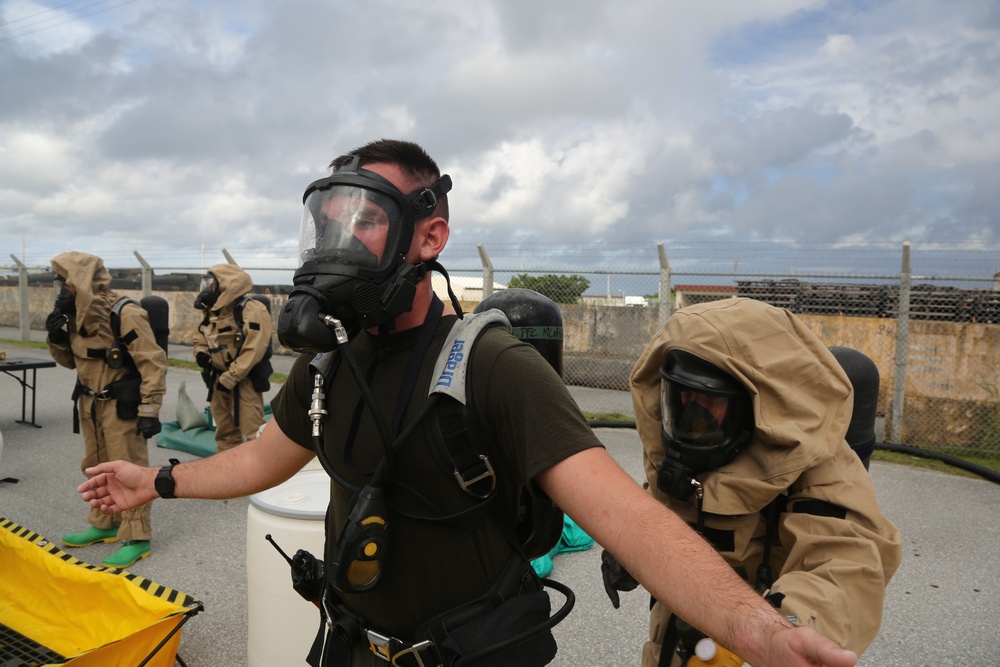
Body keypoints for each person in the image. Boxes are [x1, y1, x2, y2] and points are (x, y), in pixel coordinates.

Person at [79, 139, 858, 667]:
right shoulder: (332, 363)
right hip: (350, 644)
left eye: (367, 220)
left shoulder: (492, 366)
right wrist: (157, 482)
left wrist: (754, 624)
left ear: (429, 236)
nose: (338, 242)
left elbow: (627, 516)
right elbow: (260, 457)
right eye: (330, 222)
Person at [612, 297, 902, 666]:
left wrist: (780, 631)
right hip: (677, 626)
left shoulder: (817, 467)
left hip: (759, 638)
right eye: (681, 395)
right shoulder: (682, 456)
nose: (691, 412)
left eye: (708, 399)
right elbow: (659, 501)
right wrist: (627, 549)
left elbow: (844, 566)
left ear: (758, 405)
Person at [47, 251, 167, 568]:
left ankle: (138, 537)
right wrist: (56, 338)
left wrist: (149, 410)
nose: (60, 290)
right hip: (89, 404)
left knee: (128, 469)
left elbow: (153, 363)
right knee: (95, 465)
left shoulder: (124, 313)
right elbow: (72, 361)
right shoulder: (76, 315)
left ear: (81, 283)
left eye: (64, 283)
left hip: (121, 407)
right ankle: (105, 524)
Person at [192, 264, 274, 452]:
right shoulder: (213, 312)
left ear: (226, 285)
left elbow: (255, 348)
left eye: (212, 284)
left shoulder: (252, 310)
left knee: (254, 434)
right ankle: (227, 474)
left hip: (243, 381)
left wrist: (231, 377)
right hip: (218, 380)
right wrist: (201, 352)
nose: (207, 289)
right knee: (225, 434)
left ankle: (260, 478)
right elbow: (200, 335)